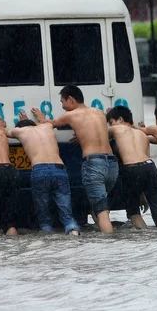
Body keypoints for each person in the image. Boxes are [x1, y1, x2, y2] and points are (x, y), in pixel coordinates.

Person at [31, 85, 118, 233]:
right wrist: (82, 136)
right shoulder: (99, 113)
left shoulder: (71, 115)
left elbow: (48, 124)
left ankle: (110, 249)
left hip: (94, 163)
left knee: (102, 211)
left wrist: (40, 118)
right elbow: (99, 132)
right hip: (111, 164)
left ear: (71, 99)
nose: (63, 107)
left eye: (62, 102)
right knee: (101, 206)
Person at [0, 112, 79, 236]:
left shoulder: (20, 132)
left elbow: (4, 131)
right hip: (59, 169)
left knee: (44, 215)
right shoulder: (47, 127)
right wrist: (40, 118)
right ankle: (73, 231)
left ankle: (46, 236)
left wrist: (1, 125)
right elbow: (42, 123)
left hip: (40, 170)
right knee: (66, 212)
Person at [106, 106, 157, 230]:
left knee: (134, 213)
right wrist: (143, 195)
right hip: (150, 167)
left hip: (130, 169)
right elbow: (146, 157)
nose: (111, 125)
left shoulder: (116, 129)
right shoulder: (142, 134)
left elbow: (98, 135)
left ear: (120, 119)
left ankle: (144, 241)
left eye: (111, 122)